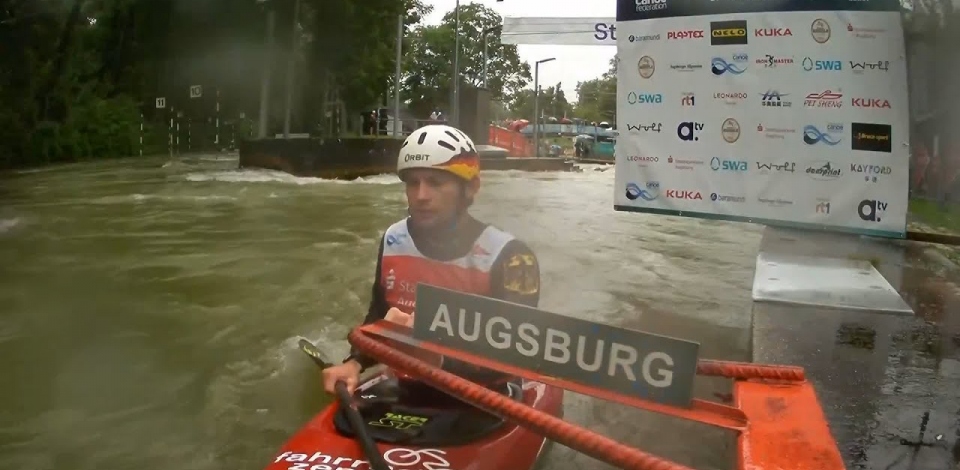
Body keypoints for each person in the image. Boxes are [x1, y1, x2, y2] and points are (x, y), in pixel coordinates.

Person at [321, 124, 542, 394]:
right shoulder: (394, 238)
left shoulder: (513, 258)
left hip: (485, 394)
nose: (421, 196)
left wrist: (436, 358)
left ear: (470, 188)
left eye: (435, 183)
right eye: (413, 183)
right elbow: (379, 313)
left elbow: (518, 353)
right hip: (408, 384)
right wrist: (355, 362)